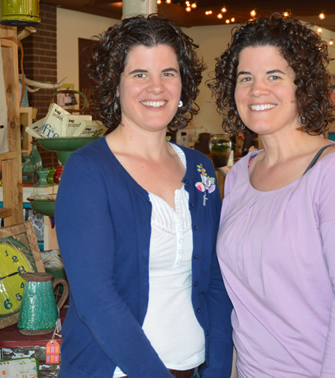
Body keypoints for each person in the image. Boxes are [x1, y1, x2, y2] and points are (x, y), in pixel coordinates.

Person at [208, 15, 335, 377]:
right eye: (246, 78)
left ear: (302, 86)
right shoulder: (241, 175)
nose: (258, 90)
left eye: (274, 76)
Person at [55, 14, 233, 378]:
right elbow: (95, 299)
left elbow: (216, 280)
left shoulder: (200, 169)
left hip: (194, 366)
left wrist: (216, 367)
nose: (157, 87)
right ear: (115, 86)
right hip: (115, 370)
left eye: (168, 73)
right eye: (140, 74)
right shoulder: (88, 171)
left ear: (183, 85)